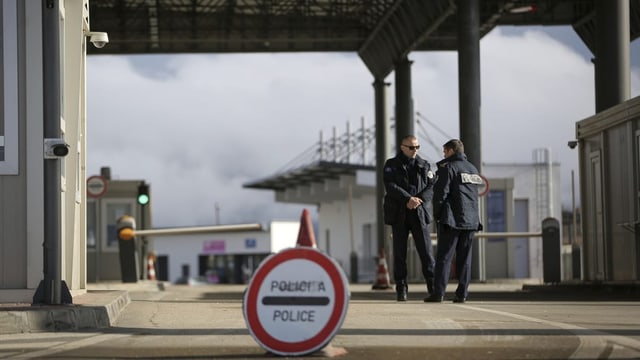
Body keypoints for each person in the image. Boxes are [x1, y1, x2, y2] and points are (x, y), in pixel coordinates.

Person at [424, 139, 483, 303]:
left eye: (444, 151)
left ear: (450, 151)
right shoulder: (472, 168)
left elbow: (441, 194)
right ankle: (462, 293)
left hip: (452, 220)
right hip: (471, 220)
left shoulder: (447, 167)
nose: (443, 154)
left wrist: (438, 215)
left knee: (444, 257)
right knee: (465, 259)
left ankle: (439, 293)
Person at [382, 135, 436, 301]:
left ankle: (433, 288)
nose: (415, 151)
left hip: (419, 213)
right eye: (412, 147)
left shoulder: (424, 164)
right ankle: (401, 289)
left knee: (426, 252)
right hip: (399, 213)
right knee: (400, 254)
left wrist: (417, 200)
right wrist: (407, 199)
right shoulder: (391, 165)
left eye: (417, 147)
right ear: (402, 147)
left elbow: (431, 186)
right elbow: (390, 186)